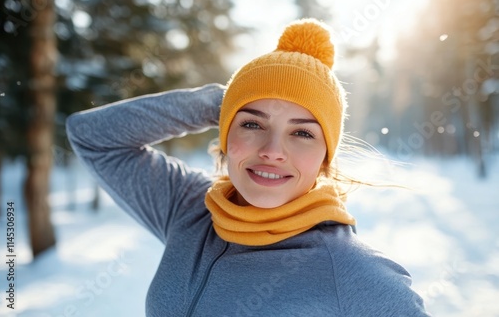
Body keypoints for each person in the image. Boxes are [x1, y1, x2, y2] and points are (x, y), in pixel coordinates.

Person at [66, 18, 430, 316]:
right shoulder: (190, 210)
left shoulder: (355, 274)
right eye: (252, 124)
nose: (273, 151)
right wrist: (221, 103)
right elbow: (92, 136)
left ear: (325, 158)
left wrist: (248, 107)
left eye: (302, 133)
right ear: (225, 137)